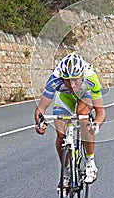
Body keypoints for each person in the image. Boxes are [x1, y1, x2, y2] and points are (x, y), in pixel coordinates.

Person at [34, 52, 105, 190]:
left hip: (85, 96)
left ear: (82, 76)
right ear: (62, 77)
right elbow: (41, 108)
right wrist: (40, 123)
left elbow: (101, 112)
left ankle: (90, 162)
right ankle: (66, 171)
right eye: (67, 81)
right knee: (61, 135)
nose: (72, 85)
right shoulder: (55, 78)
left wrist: (95, 126)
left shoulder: (91, 78)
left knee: (82, 115)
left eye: (75, 80)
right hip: (65, 98)